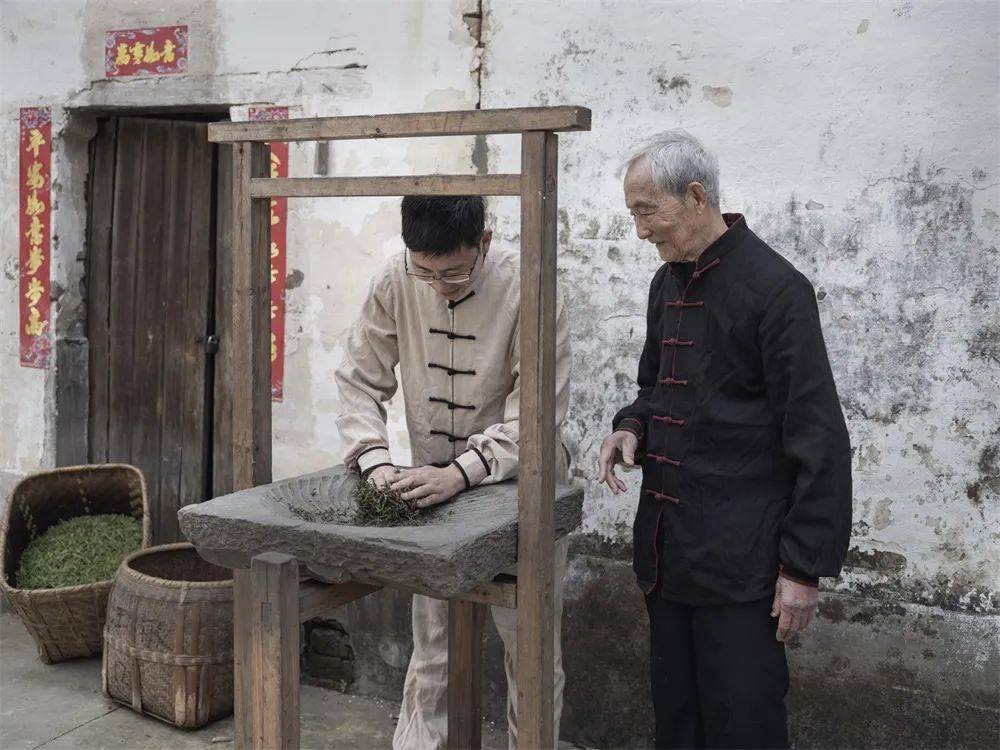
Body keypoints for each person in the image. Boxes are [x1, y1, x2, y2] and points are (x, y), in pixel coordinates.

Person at [597, 130, 852, 749]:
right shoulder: (667, 283)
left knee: (744, 726)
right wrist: (630, 427)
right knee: (677, 722)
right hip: (668, 551)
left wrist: (803, 569)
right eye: (632, 213)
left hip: (744, 563)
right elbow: (654, 385)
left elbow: (818, 435)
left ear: (694, 196)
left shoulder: (776, 290)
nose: (640, 230)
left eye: (646, 211)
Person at [335, 195, 572, 749]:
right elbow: (357, 379)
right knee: (434, 643)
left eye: (455, 272)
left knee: (530, 646)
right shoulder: (397, 280)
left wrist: (462, 473)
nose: (439, 285)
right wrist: (373, 461)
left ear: (484, 242)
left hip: (521, 486)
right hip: (431, 487)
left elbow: (538, 414)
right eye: (426, 272)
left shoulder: (531, 287)